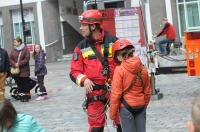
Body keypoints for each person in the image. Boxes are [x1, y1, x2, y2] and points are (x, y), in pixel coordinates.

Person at [69, 10, 122, 132]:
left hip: (117, 91)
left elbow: (127, 65)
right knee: (96, 128)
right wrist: (84, 79)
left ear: (93, 26)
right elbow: (74, 72)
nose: (80, 28)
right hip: (95, 93)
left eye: (83, 25)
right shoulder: (80, 47)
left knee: (122, 125)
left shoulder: (115, 43)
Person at [109, 39, 152, 132]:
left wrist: (112, 115)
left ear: (120, 56)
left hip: (126, 107)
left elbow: (116, 94)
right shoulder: (143, 68)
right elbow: (148, 92)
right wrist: (144, 106)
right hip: (140, 106)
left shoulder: (119, 70)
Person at [9, 37, 31, 102]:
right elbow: (10, 59)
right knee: (19, 84)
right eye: (14, 42)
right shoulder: (13, 50)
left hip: (24, 70)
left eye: (15, 42)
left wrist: (19, 63)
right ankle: (21, 96)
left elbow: (27, 58)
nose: (14, 43)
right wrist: (14, 64)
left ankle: (26, 96)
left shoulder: (25, 49)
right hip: (16, 71)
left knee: (25, 84)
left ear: (19, 42)